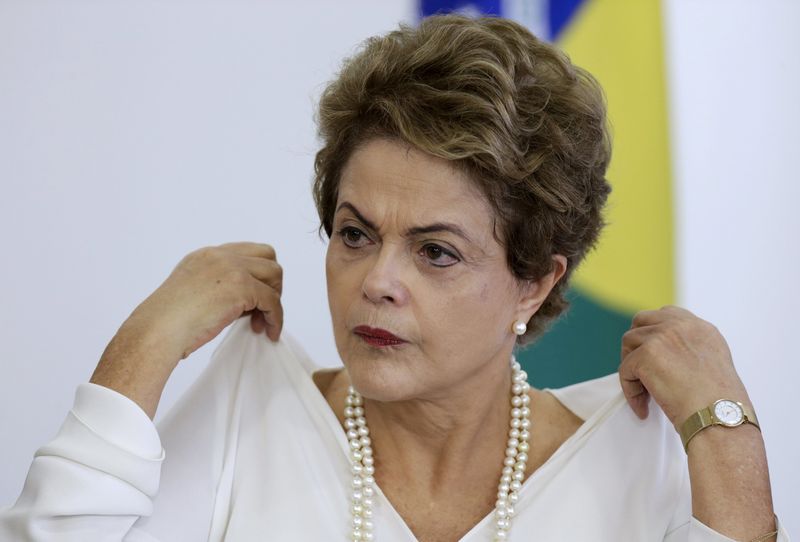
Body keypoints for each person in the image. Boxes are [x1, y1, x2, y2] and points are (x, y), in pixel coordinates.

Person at [0, 14, 789, 542]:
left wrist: (728, 443)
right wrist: (149, 340)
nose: (376, 281)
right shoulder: (254, 410)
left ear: (535, 284)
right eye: (354, 234)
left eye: (436, 251)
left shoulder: (634, 454)